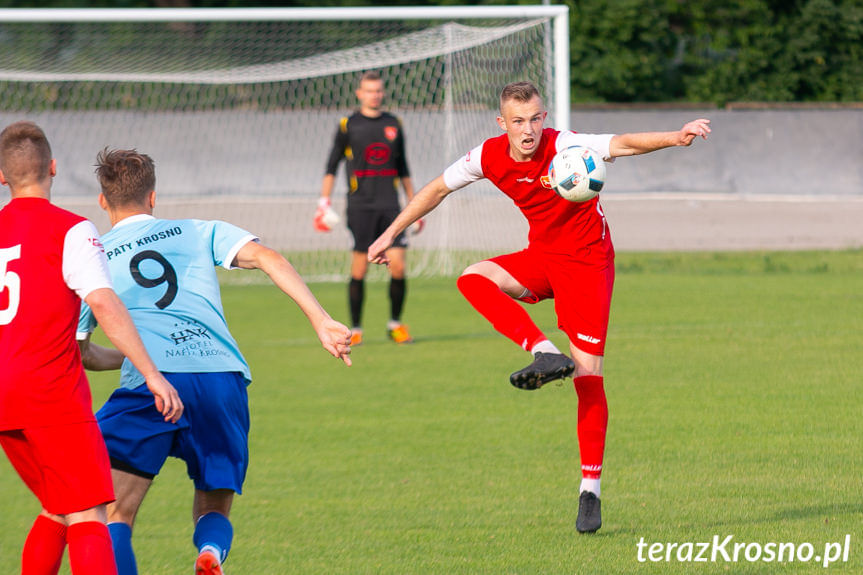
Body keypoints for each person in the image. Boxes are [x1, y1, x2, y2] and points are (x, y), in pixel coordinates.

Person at [368, 81, 711, 534]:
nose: (527, 130)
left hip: (589, 267)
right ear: (502, 123)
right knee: (473, 278)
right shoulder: (487, 156)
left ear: (543, 117)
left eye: (534, 119)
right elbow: (435, 189)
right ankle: (543, 350)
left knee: (588, 378)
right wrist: (391, 233)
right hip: (544, 260)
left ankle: (590, 491)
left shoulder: (565, 146)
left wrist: (676, 135)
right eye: (517, 122)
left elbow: (622, 144)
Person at [77, 149, 352, 575]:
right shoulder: (196, 230)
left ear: (102, 201)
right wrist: (320, 320)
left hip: (151, 386)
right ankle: (209, 553)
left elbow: (83, 352)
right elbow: (267, 257)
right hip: (220, 378)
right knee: (214, 506)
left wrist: (139, 356)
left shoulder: (91, 257)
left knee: (115, 514)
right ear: (153, 198)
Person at [0, 121, 183, 575]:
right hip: (51, 395)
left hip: (5, 398)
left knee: (58, 508)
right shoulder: (72, 229)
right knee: (88, 515)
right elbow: (103, 302)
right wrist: (152, 373)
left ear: (2, 176)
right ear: (54, 168)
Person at [316, 70, 420, 346]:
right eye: (369, 90)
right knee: (359, 269)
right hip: (360, 206)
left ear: (382, 93)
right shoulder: (348, 124)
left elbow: (404, 167)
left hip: (391, 207)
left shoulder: (394, 123)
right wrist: (323, 202)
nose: (374, 95)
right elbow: (331, 165)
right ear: (359, 93)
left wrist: (415, 205)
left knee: (397, 267)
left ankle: (395, 325)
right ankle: (357, 328)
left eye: (378, 90)